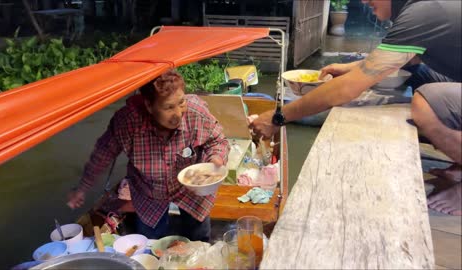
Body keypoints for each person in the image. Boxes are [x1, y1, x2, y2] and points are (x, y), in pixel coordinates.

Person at [250, 0, 461, 215]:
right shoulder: (420, 8)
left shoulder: (423, 12)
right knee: (421, 76)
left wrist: (278, 117)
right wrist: (349, 68)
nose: (363, 1)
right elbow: (407, 59)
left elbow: (347, 89)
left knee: (425, 103)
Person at [67, 69, 230, 240]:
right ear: (149, 106)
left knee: (199, 236)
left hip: (193, 189)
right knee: (149, 239)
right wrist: (83, 187)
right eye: (168, 107)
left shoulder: (195, 113)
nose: (178, 114)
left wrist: (216, 157)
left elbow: (217, 140)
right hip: (149, 190)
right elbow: (103, 155)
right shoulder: (127, 123)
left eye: (181, 103)